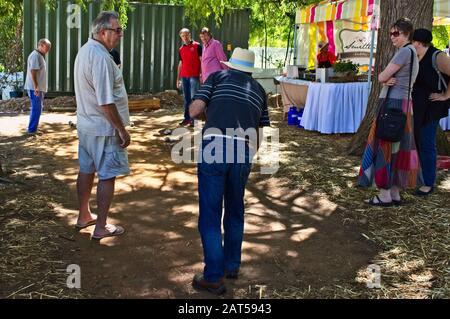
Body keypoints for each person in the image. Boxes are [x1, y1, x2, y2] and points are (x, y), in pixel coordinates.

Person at [189, 47, 270, 295]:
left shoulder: (216, 78)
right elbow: (260, 132)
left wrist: (207, 111)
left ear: (230, 66)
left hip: (215, 147)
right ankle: (231, 265)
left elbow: (194, 110)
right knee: (235, 210)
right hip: (244, 150)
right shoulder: (259, 90)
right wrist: (249, 156)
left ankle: (213, 277)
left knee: (211, 214)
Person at [74, 11, 130, 240]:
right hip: (104, 129)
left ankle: (83, 215)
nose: (120, 35)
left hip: (87, 126)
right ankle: (101, 226)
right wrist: (121, 129)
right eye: (117, 30)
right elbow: (106, 102)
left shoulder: (86, 50)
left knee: (87, 170)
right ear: (102, 32)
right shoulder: (101, 57)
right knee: (107, 175)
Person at [358, 18, 422, 206]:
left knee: (385, 146)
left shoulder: (403, 53)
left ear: (406, 34)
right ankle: (394, 192)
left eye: (396, 33)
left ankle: (384, 194)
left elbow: (382, 76)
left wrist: (383, 79)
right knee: (398, 148)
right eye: (390, 33)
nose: (392, 37)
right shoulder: (413, 53)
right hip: (404, 104)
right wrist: (385, 80)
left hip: (393, 104)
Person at [411, 28, 450, 195]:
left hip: (432, 107)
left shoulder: (438, 56)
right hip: (417, 107)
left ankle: (428, 183)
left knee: (427, 144)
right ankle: (418, 178)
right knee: (417, 141)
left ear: (418, 42)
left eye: (413, 41)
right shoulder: (414, 55)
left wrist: (445, 95)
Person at [24, 38, 51, 134]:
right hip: (34, 88)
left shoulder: (39, 55)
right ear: (42, 45)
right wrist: (36, 86)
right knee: (36, 108)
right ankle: (31, 130)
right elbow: (33, 71)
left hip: (37, 87)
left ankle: (33, 128)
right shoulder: (35, 55)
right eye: (48, 47)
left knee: (37, 108)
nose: (49, 49)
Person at [176, 28, 202, 127]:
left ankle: (194, 120)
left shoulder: (197, 46)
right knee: (186, 99)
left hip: (194, 76)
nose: (185, 37)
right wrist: (177, 79)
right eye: (183, 36)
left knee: (193, 98)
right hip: (184, 77)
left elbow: (201, 61)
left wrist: (201, 74)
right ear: (181, 37)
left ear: (190, 35)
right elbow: (180, 64)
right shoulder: (181, 49)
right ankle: (187, 119)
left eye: (186, 35)